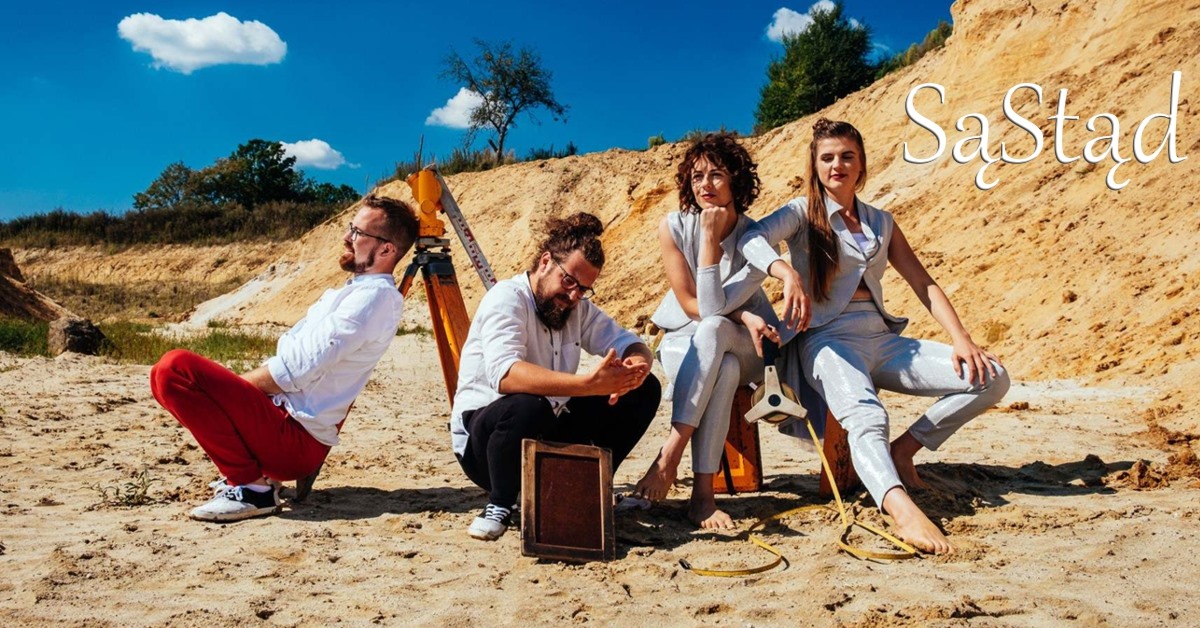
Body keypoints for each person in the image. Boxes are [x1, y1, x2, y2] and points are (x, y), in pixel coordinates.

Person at [738, 118, 1010, 554]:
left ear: (862, 164)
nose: (837, 165)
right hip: (826, 340)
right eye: (828, 157)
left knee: (991, 377)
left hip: (881, 338)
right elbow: (751, 238)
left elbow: (923, 283)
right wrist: (784, 270)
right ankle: (900, 509)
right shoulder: (800, 213)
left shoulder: (882, 222)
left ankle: (905, 451)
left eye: (847, 156)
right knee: (867, 417)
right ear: (815, 165)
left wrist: (962, 338)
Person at [150, 194, 419, 522]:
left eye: (358, 233)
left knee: (174, 369)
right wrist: (231, 396)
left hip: (295, 439)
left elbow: (295, 370)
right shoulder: (356, 292)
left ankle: (252, 489)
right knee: (166, 375)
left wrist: (227, 395)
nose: (346, 237)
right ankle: (253, 478)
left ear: (387, 250)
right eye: (350, 227)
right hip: (282, 424)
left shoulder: (373, 298)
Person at [451, 212, 661, 541]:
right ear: (546, 262)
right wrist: (588, 385)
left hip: (547, 422)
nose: (574, 295)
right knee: (529, 404)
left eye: (584, 289)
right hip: (487, 442)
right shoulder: (506, 298)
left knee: (644, 389)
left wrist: (635, 366)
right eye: (569, 282)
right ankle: (500, 504)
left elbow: (629, 342)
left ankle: (592, 486)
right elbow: (506, 375)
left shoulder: (576, 308)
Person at [633, 132, 780, 529]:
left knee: (718, 334)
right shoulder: (673, 227)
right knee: (723, 368)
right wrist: (743, 314)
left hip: (748, 344)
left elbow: (714, 309)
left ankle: (669, 454)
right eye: (697, 176)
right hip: (689, 334)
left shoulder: (754, 236)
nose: (704, 185)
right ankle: (702, 498)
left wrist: (712, 239)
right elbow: (689, 302)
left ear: (736, 181)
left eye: (716, 175)